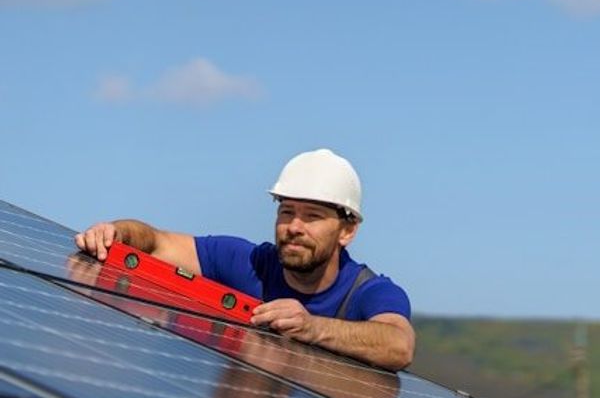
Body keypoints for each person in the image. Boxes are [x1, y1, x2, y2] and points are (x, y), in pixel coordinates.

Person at [75, 149, 415, 371]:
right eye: (286, 212)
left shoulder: (369, 292)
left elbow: (398, 345)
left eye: (312, 216)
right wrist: (117, 232)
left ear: (347, 231)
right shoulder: (248, 262)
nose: (294, 227)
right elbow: (156, 242)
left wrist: (312, 327)